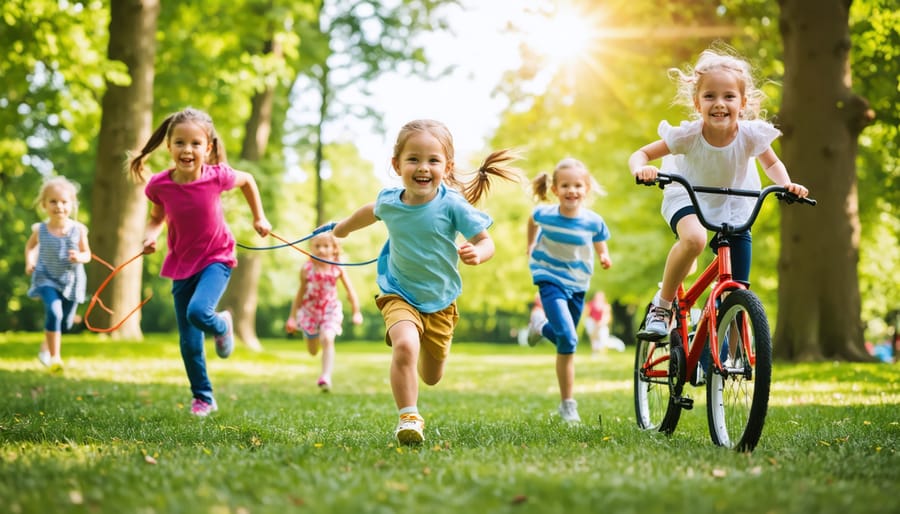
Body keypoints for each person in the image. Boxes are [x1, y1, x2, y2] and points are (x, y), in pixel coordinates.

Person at [332, 119, 521, 445]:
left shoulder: (452, 205)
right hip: (398, 292)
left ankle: (420, 357)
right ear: (397, 165)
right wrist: (342, 229)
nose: (423, 168)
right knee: (405, 345)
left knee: (432, 376)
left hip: (440, 301)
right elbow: (368, 211)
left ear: (446, 167)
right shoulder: (390, 202)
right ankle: (409, 417)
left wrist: (478, 253)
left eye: (433, 160)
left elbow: (486, 241)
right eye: (413, 159)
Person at [629, 45, 809, 339]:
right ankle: (662, 306)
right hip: (687, 194)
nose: (719, 103)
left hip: (735, 202)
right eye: (709, 96)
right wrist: (641, 169)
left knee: (738, 286)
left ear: (743, 102)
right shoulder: (688, 136)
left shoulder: (752, 135)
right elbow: (641, 154)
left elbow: (772, 163)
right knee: (695, 240)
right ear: (697, 103)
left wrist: (787, 183)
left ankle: (733, 358)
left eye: (729, 96)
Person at [129, 107, 272, 417]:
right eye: (180, 142)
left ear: (208, 148)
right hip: (181, 264)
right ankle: (203, 397)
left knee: (198, 312)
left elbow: (247, 181)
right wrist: (149, 236)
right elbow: (156, 219)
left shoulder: (217, 176)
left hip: (216, 258)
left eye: (195, 143)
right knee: (189, 341)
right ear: (169, 147)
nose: (187, 150)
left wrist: (259, 217)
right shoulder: (159, 185)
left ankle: (222, 323)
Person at [525, 157, 612, 424]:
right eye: (565, 186)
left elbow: (599, 240)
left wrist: (604, 256)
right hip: (549, 277)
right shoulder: (546, 214)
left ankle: (540, 326)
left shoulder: (593, 221)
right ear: (555, 190)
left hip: (578, 284)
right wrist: (530, 246)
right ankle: (570, 405)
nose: (571, 191)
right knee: (570, 338)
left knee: (565, 340)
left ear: (586, 188)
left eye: (577, 185)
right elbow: (531, 220)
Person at [24, 176, 92, 372]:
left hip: (71, 281)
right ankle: (55, 358)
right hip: (46, 278)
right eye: (53, 201)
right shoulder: (41, 229)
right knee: (54, 312)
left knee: (65, 323)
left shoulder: (78, 229)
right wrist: (30, 262)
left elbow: (88, 254)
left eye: (64, 202)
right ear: (44, 204)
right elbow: (30, 247)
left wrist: (79, 256)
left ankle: (46, 346)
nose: (59, 206)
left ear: (72, 204)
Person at [285, 232, 364, 392]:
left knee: (327, 338)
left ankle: (325, 377)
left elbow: (350, 291)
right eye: (317, 246)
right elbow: (300, 293)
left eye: (326, 246)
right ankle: (311, 336)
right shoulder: (307, 269)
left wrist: (356, 312)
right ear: (311, 248)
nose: (321, 249)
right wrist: (292, 318)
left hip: (330, 310)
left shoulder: (337, 268)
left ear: (334, 249)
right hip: (310, 311)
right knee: (313, 351)